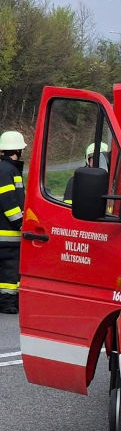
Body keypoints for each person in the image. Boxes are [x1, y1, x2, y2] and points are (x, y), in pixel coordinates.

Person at [0, 131, 26, 313]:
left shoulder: (8, 169)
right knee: (9, 268)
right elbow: (9, 201)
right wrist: (21, 223)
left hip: (7, 231)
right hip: (7, 232)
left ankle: (10, 300)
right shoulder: (7, 170)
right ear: (17, 149)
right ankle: (6, 302)